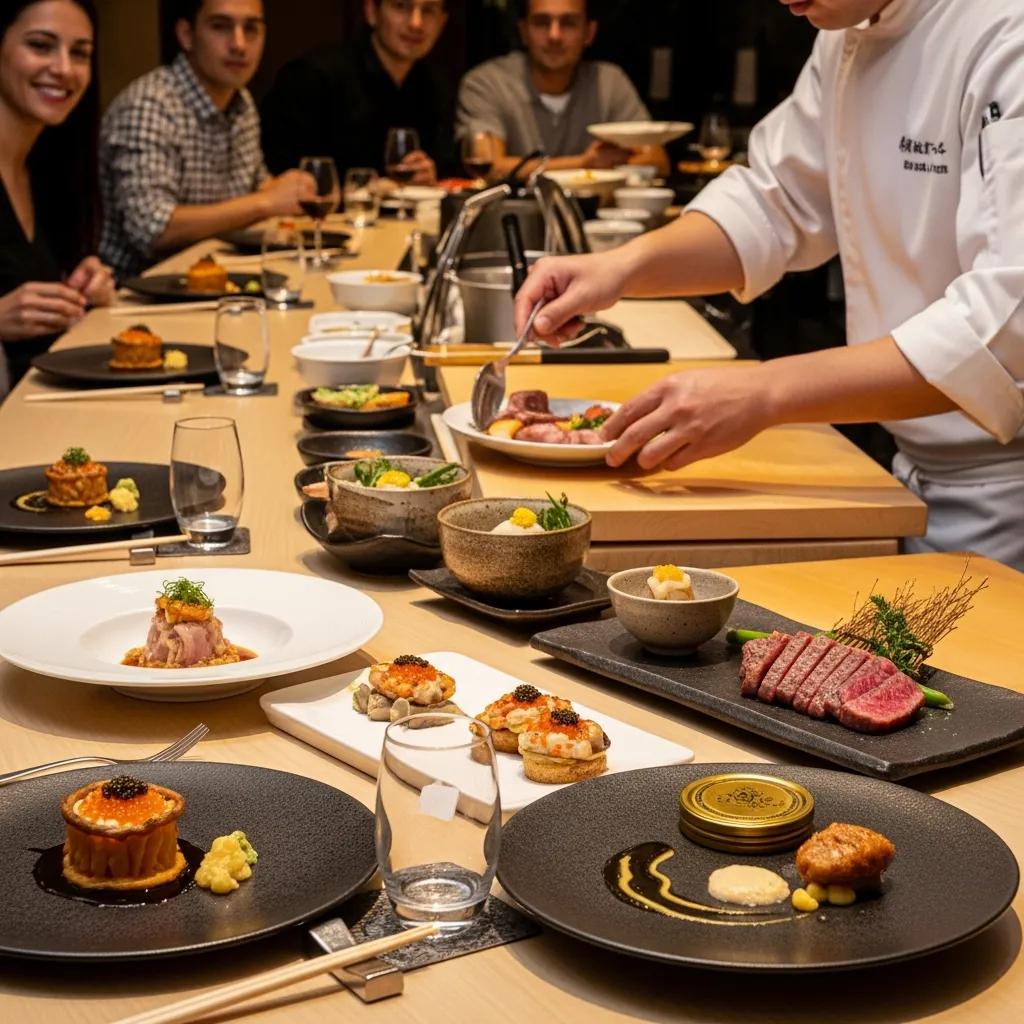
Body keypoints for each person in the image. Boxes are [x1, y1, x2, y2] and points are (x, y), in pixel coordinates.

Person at [515, 0, 1024, 569]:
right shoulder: (845, 33)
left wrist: (763, 394)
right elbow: (775, 202)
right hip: (915, 475)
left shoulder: (1006, 33)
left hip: (1011, 492)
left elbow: (1003, 324)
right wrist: (620, 267)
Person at [99, 0, 315, 279]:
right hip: (138, 293)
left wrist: (299, 189)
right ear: (186, 35)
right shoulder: (151, 105)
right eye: (220, 27)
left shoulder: (241, 102)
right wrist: (267, 202)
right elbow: (154, 229)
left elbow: (255, 185)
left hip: (216, 279)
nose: (239, 44)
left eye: (251, 29)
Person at [0, 0, 113, 392]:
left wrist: (84, 287)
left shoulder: (54, 167)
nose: (64, 69)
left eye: (80, 53)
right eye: (41, 45)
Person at [456, 0, 669, 180]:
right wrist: (584, 163)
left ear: (589, 32)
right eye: (542, 22)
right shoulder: (486, 82)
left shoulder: (609, 81)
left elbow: (658, 161)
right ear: (523, 31)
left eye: (568, 23)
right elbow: (489, 167)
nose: (554, 35)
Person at [261, 0, 453, 185]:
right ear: (372, 11)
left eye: (428, 10)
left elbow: (446, 165)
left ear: (443, 21)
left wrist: (428, 177)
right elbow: (282, 176)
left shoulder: (436, 84)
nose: (415, 23)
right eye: (401, 6)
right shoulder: (313, 76)